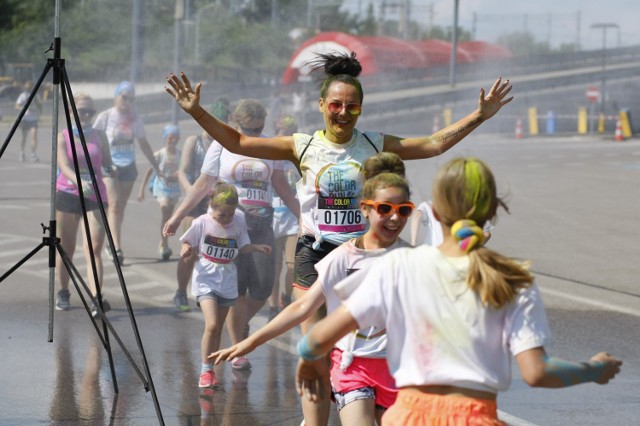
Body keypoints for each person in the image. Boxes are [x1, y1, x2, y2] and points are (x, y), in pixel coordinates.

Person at [165, 51, 513, 340]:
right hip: (314, 252)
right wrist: (196, 111)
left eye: (352, 107)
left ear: (361, 108)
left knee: (354, 341)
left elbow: (433, 144)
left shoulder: (375, 143)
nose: (343, 113)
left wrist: (480, 116)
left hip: (361, 254)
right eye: (336, 105)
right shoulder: (301, 145)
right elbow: (238, 142)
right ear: (321, 105)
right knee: (314, 342)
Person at [294, 157, 623, 425]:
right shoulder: (512, 279)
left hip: (407, 416)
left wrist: (309, 362)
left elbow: (316, 340)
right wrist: (593, 370)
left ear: (434, 213)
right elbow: (537, 373)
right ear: (492, 212)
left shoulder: (399, 266)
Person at [212, 152, 413, 426]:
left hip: (398, 370)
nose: (394, 218)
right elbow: (303, 307)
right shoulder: (343, 257)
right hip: (352, 368)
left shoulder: (415, 259)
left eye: (403, 210)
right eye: (385, 209)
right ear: (364, 208)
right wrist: (249, 342)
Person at [163, 99, 299, 370]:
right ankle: (238, 348)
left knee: (262, 287)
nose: (254, 135)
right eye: (249, 130)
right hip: (229, 225)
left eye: (259, 129)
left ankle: (237, 324)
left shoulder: (270, 145)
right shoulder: (221, 144)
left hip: (261, 224)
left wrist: (304, 218)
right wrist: (177, 216)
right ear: (237, 125)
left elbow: (282, 186)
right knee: (235, 289)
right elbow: (203, 185)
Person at [179, 181, 271, 388]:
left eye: (230, 214)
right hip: (206, 278)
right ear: (212, 205)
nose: (227, 219)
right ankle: (205, 371)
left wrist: (256, 247)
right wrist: (185, 249)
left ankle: (210, 370)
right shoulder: (202, 222)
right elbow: (187, 242)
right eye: (222, 215)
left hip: (228, 279)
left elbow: (242, 245)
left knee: (217, 329)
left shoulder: (238, 219)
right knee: (211, 325)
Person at [54, 93, 114, 317]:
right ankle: (63, 291)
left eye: (91, 111)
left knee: (94, 249)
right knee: (66, 249)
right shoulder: (63, 136)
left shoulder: (100, 135)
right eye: (82, 111)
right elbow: (63, 165)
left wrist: (109, 170)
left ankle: (97, 297)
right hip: (68, 194)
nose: (87, 115)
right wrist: (78, 181)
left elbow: (107, 163)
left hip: (96, 195)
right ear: (71, 112)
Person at [93, 81, 161, 265]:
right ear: (116, 96)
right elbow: (92, 140)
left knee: (120, 206)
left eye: (131, 99)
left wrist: (156, 166)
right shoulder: (105, 116)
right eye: (124, 97)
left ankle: (111, 242)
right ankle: (116, 248)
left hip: (128, 166)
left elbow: (143, 143)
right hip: (109, 165)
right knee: (114, 204)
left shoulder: (135, 119)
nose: (127, 101)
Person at [173, 98, 229, 312]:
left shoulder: (227, 143)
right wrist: (191, 192)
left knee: (217, 249)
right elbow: (182, 170)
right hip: (196, 201)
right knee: (190, 249)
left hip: (218, 204)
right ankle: (180, 291)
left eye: (222, 121)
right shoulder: (194, 141)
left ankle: (212, 293)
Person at [267, 115, 300, 320]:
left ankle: (286, 296)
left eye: (288, 134)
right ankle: (272, 308)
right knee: (274, 266)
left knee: (292, 265)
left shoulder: (298, 157)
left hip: (292, 219)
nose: (284, 138)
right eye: (281, 134)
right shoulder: (267, 154)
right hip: (271, 217)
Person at [137, 124, 182, 261]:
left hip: (174, 190)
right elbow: (149, 171)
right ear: (165, 138)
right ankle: (165, 245)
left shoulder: (180, 154)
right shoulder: (160, 154)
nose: (173, 140)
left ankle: (163, 242)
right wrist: (141, 190)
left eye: (176, 138)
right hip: (161, 189)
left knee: (169, 217)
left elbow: (185, 171)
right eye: (170, 137)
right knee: (165, 209)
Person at [15, 80, 42, 162]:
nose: (29, 87)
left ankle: (33, 154)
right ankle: (22, 152)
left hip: (33, 119)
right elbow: (16, 106)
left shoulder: (36, 95)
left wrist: (39, 112)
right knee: (24, 137)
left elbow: (39, 105)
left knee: (34, 135)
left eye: (30, 86)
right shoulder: (22, 96)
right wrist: (23, 109)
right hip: (24, 119)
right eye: (27, 86)